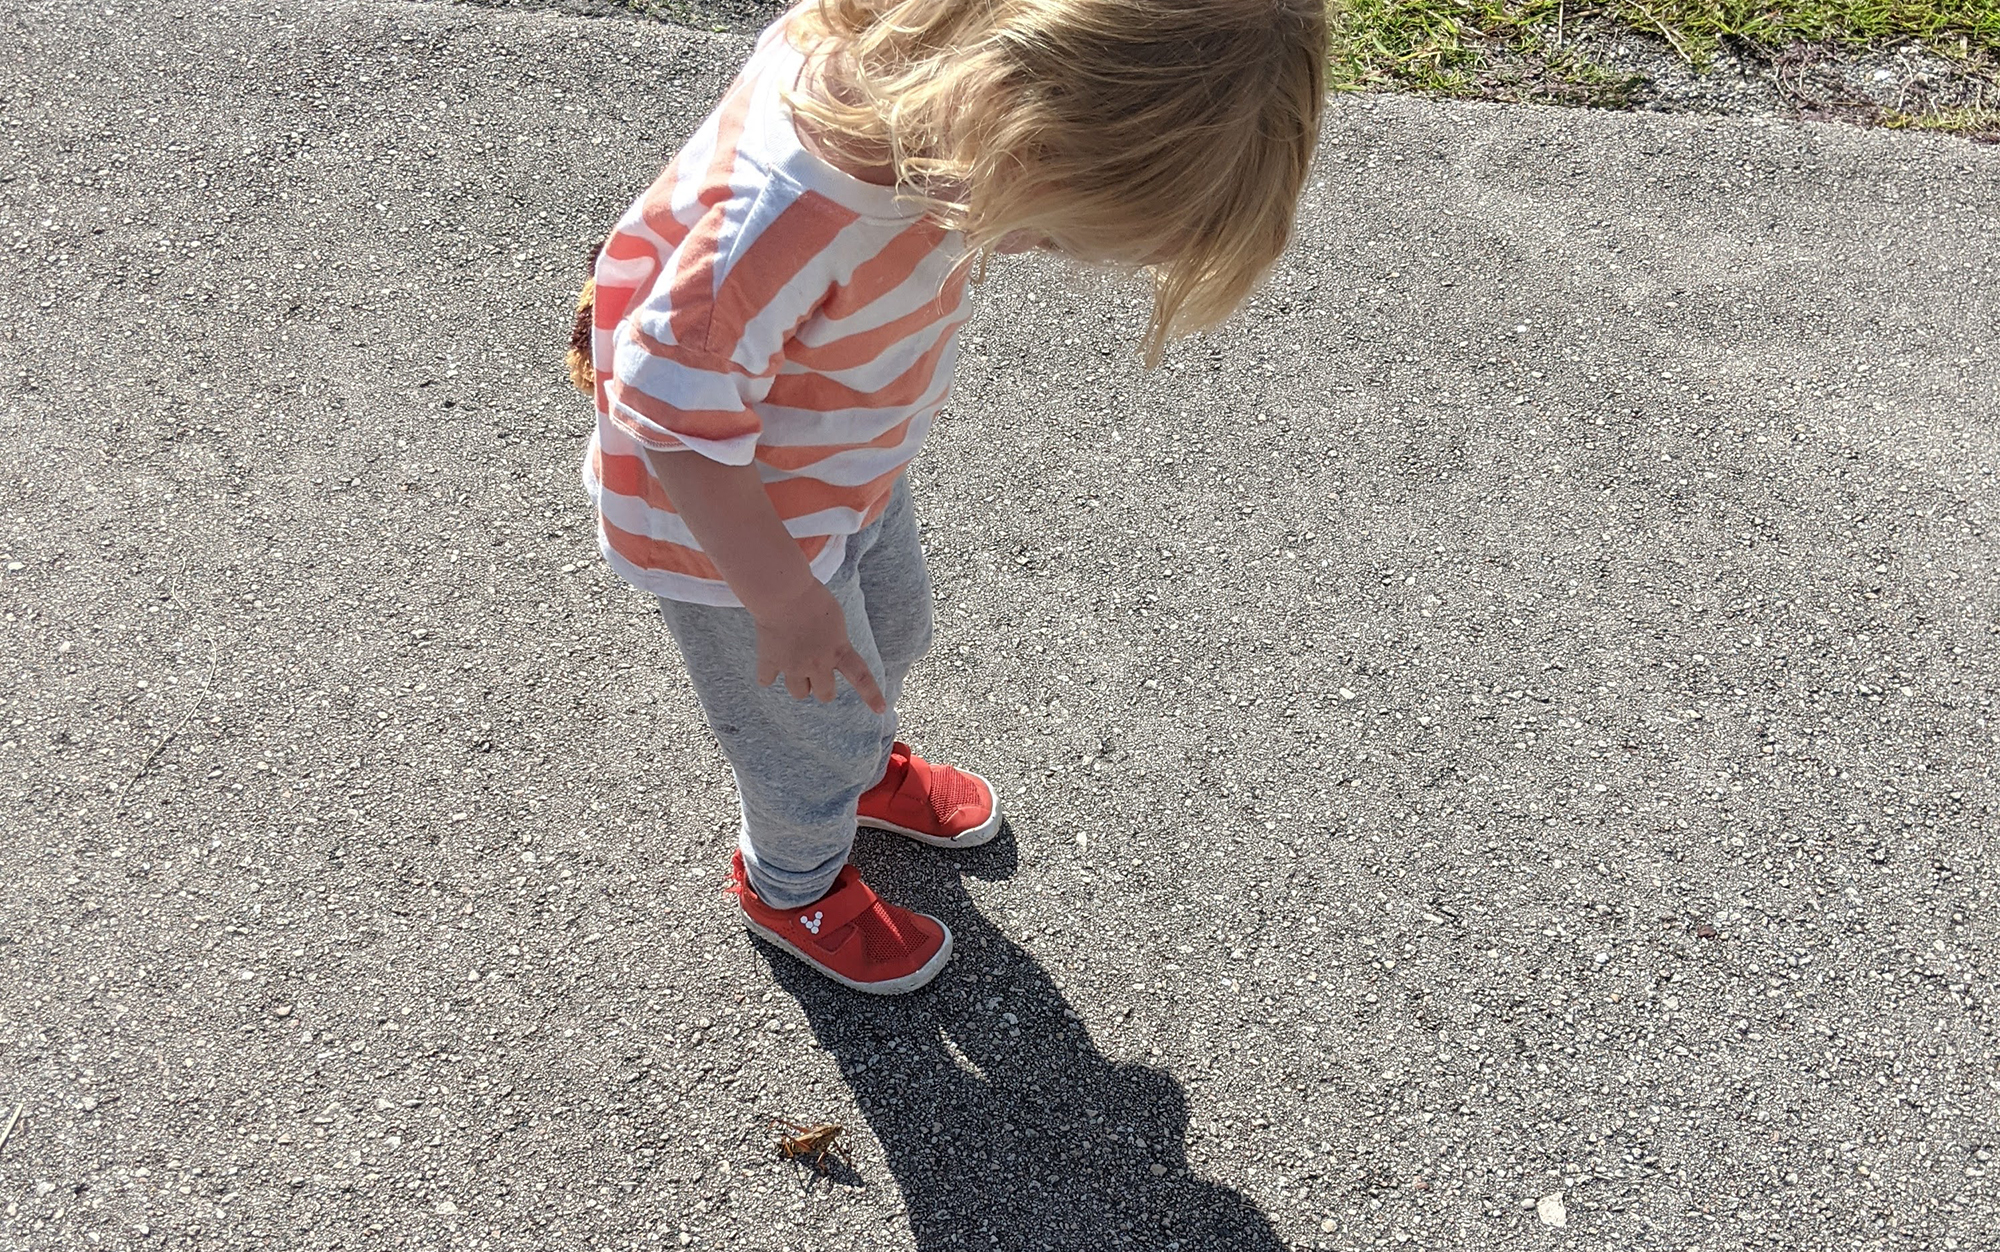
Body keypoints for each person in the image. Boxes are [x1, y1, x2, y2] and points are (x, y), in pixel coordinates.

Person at [573, 0, 1326, 994]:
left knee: (892, 629)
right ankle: (790, 878)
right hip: (729, 535)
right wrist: (786, 603)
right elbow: (665, 409)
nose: (1032, 254)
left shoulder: (913, 88)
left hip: (836, 470)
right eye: (1051, 236)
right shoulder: (787, 213)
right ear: (1007, 114)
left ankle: (858, 761)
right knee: (800, 729)